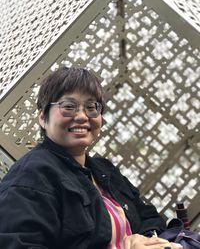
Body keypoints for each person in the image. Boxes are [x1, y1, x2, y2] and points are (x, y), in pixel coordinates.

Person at [0, 67, 182, 249]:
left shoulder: (103, 169)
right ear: (42, 117)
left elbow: (149, 216)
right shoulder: (30, 176)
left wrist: (146, 240)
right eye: (68, 106)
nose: (81, 116)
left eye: (91, 107)